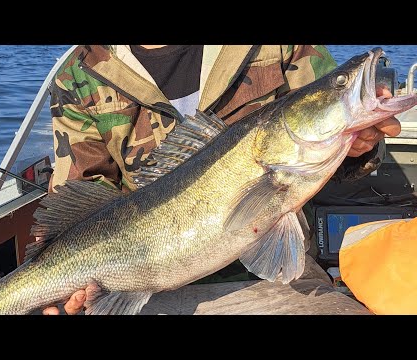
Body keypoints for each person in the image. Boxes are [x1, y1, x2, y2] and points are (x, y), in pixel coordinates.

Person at [40, 45, 401, 315]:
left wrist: (360, 145)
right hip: (138, 287)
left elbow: (326, 145)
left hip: (273, 285)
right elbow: (81, 197)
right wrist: (56, 289)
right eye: (342, 85)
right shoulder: (79, 73)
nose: (344, 87)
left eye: (343, 86)